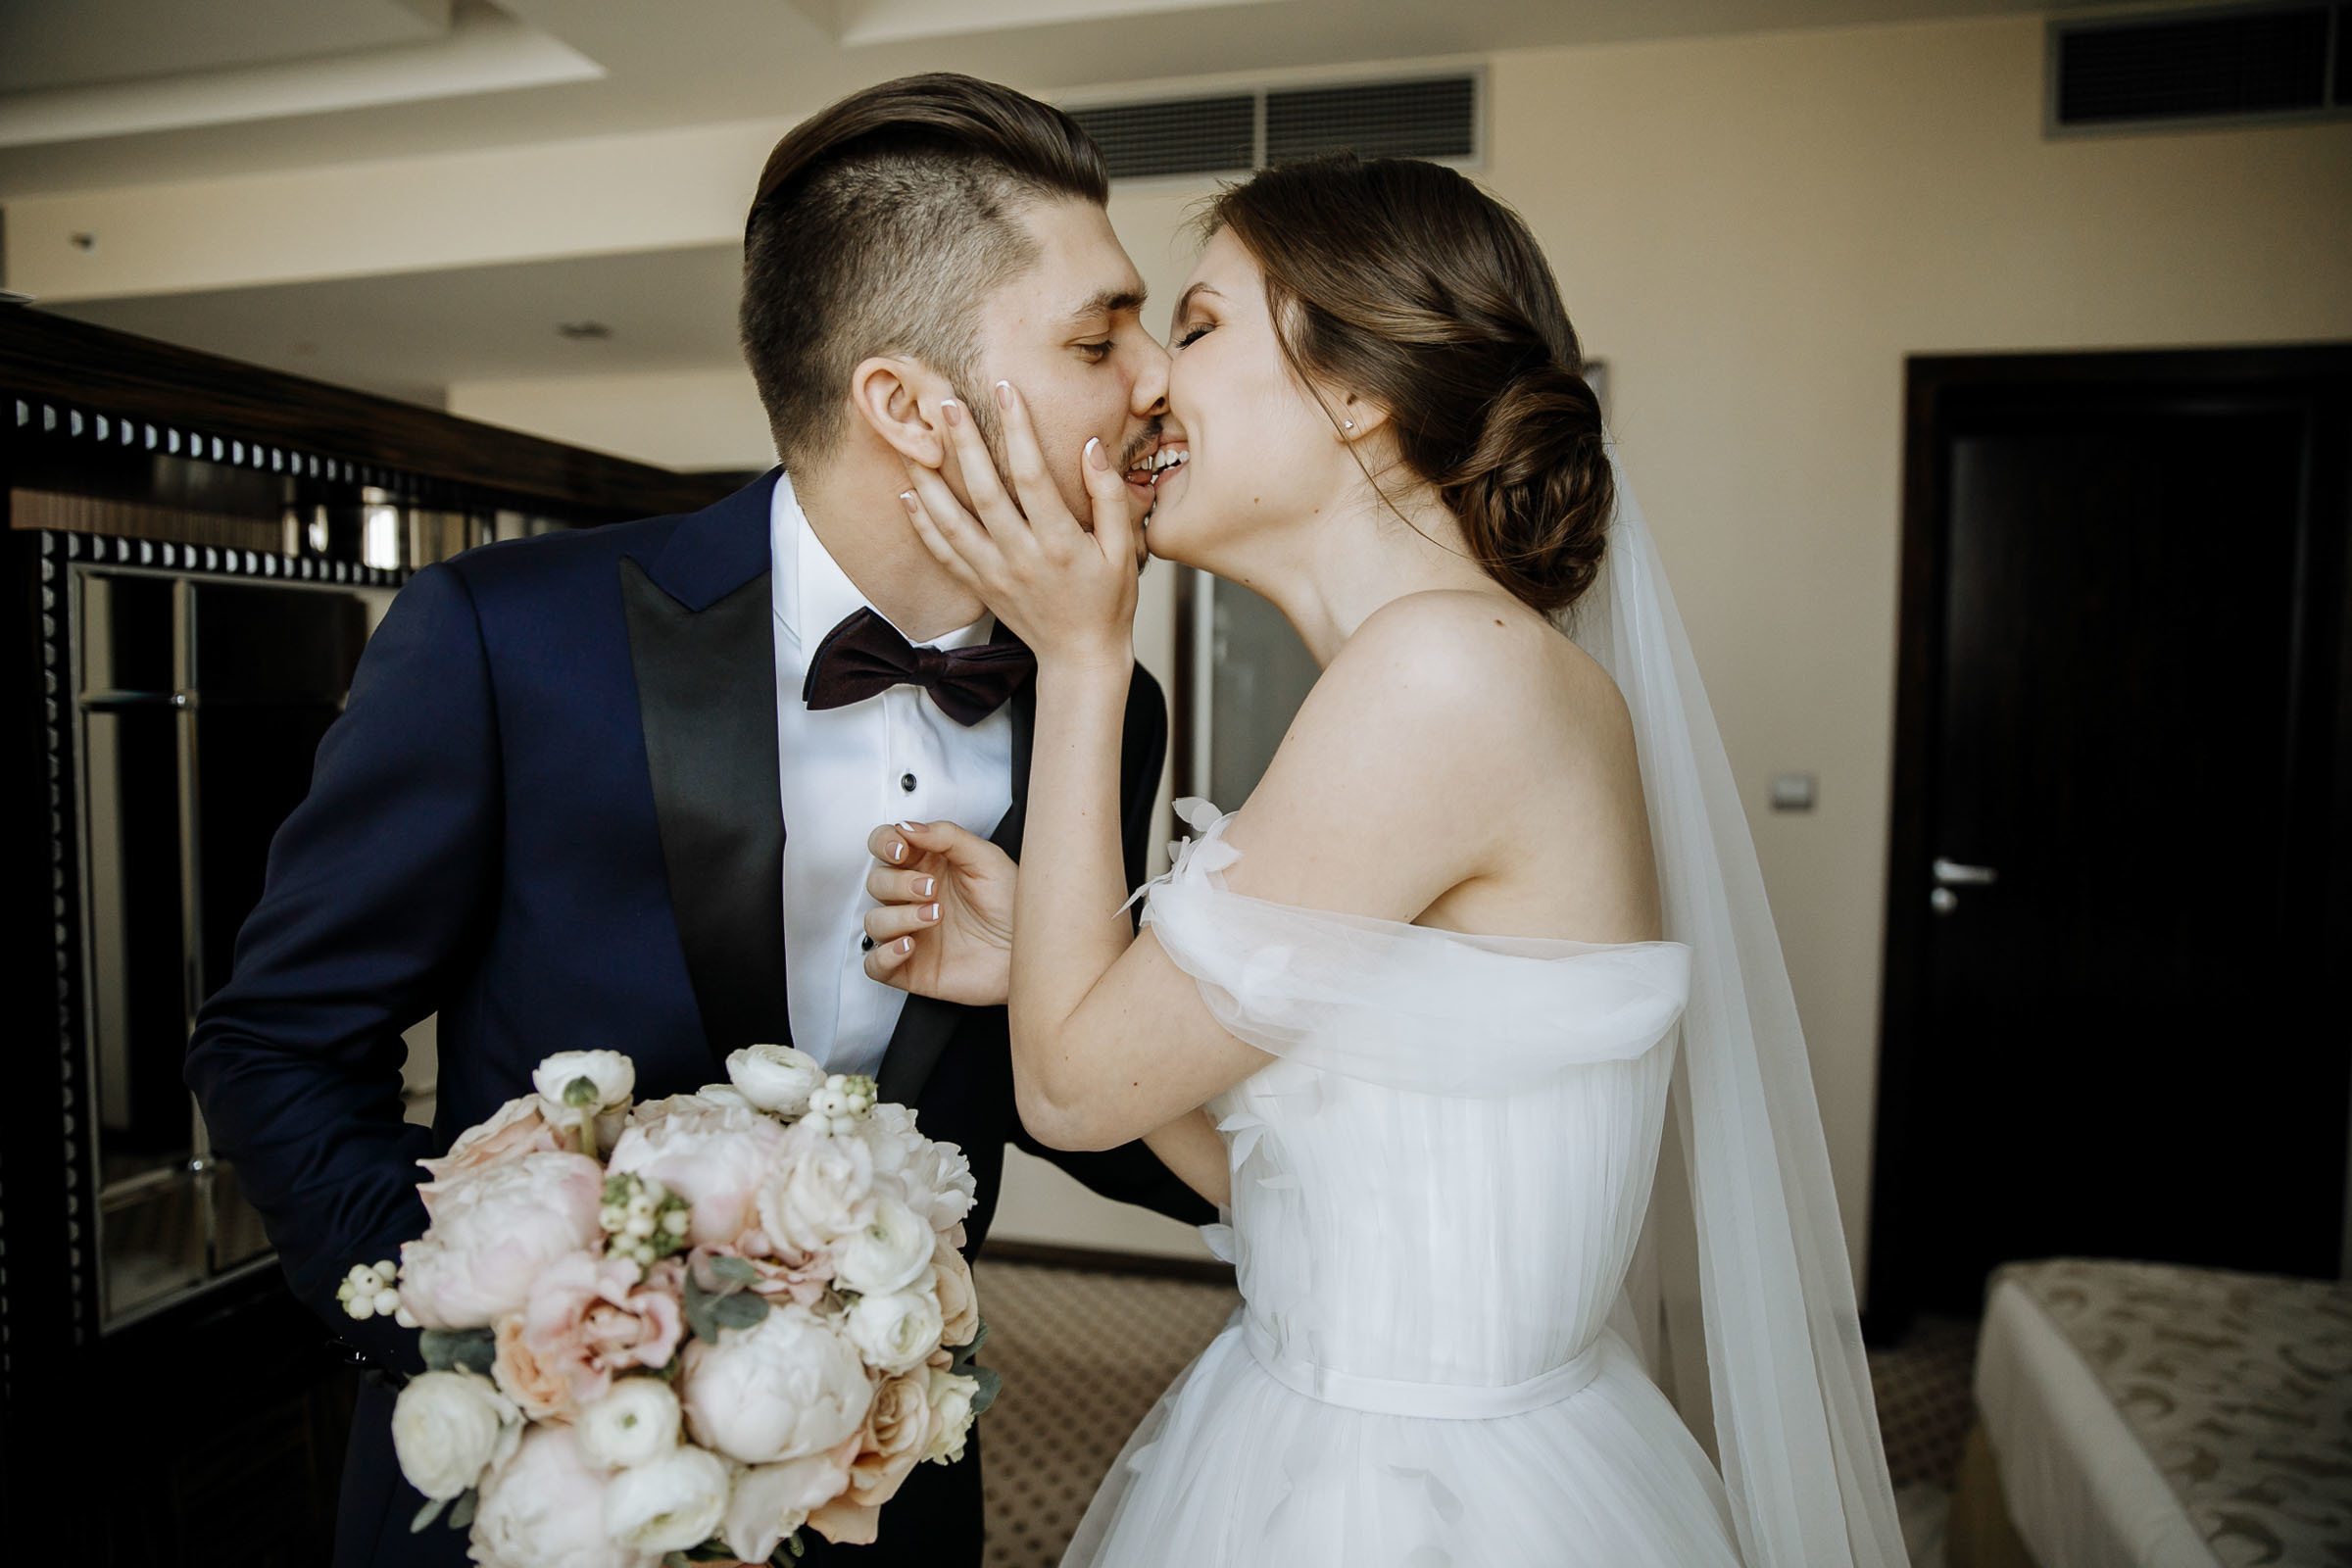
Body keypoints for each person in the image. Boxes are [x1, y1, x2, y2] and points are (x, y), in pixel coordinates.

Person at [183, 74, 1211, 1568]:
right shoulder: (504, 639)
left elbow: (1079, 1105)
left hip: (885, 1495)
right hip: (541, 1503)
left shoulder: (1100, 706)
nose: (1155, 376)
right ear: (908, 406)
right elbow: (272, 1048)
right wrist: (505, 1343)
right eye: (1098, 334)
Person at [871, 154, 1909, 1565]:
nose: (1151, 388)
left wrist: (1080, 649)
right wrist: (1052, 976)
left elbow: (1064, 1095)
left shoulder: (1442, 678)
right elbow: (1297, 1195)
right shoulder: (1451, 672)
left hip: (1415, 1496)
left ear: (1360, 392)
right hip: (1344, 1411)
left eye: (1199, 325)